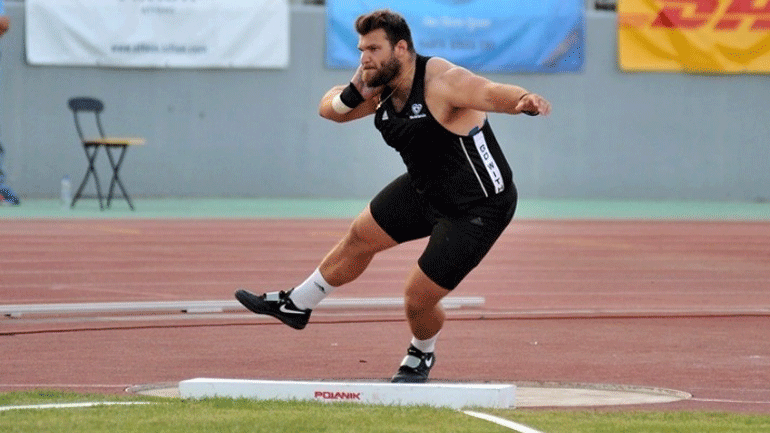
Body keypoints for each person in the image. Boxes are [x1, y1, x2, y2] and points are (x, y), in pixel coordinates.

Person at [235, 9, 551, 383]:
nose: (364, 58)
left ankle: (421, 352)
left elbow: (488, 92)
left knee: (417, 297)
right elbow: (330, 110)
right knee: (360, 237)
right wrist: (354, 90)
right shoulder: (379, 90)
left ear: (400, 48)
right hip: (425, 188)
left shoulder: (442, 81)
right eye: (361, 50)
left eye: (374, 49)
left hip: (477, 207)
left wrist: (523, 99)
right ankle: (297, 305)